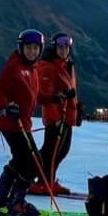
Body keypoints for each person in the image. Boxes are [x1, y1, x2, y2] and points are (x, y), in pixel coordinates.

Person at [0, 29, 45, 216]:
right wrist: (5, 108)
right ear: (21, 48)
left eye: (35, 48)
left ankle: (0, 199)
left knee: (22, 160)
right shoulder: (13, 67)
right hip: (12, 124)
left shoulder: (33, 68)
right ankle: (16, 202)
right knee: (33, 163)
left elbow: (33, 95)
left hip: (23, 124)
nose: (32, 51)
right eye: (28, 47)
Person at [31, 32, 81, 196]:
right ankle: (39, 181)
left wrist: (77, 109)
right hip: (56, 118)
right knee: (50, 152)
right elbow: (46, 96)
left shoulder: (67, 65)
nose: (63, 49)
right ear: (54, 47)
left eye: (66, 46)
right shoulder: (48, 66)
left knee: (62, 150)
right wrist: (55, 118)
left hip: (67, 116)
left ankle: (48, 180)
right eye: (60, 46)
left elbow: (70, 91)